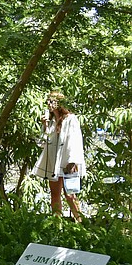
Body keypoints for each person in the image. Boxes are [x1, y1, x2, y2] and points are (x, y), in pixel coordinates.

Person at [33, 90, 85, 222]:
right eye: (48, 102)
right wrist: (44, 126)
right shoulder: (50, 121)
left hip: (67, 161)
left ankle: (80, 223)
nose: (49, 104)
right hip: (53, 162)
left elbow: (75, 140)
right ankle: (57, 223)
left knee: (70, 194)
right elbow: (42, 143)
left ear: (59, 103)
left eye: (52, 101)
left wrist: (72, 162)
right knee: (55, 193)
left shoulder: (70, 119)